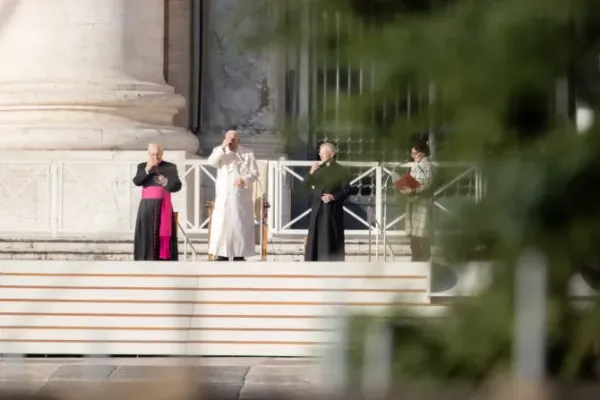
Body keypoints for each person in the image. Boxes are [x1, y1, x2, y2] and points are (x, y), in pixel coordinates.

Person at [207, 130, 259, 261]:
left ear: (238, 140)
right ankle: (221, 253)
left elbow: (254, 173)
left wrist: (244, 179)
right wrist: (222, 147)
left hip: (240, 197)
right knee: (222, 224)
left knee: (238, 224)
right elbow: (211, 162)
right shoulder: (219, 151)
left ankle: (239, 254)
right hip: (224, 196)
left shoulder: (247, 152)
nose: (231, 141)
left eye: (233, 138)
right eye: (228, 138)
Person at [132, 143, 182, 261]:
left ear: (162, 153)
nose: (155, 157)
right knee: (146, 235)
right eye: (152, 154)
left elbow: (177, 186)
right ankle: (145, 260)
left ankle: (164, 261)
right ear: (148, 154)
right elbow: (137, 181)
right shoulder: (142, 166)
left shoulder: (170, 167)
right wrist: (147, 170)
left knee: (163, 235)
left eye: (158, 154)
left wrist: (166, 182)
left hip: (163, 207)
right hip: (147, 207)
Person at [304, 143, 352, 261]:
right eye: (320, 153)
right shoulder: (317, 170)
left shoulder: (341, 170)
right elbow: (305, 186)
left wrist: (333, 197)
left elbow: (346, 189)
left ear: (331, 154)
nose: (320, 156)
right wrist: (310, 173)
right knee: (315, 238)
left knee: (330, 237)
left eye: (323, 153)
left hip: (331, 211)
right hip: (317, 210)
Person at [395, 141, 435, 261]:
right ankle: (415, 257)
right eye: (412, 154)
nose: (413, 156)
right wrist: (402, 186)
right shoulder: (415, 165)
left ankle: (423, 260)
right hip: (413, 203)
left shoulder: (429, 166)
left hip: (422, 203)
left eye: (415, 153)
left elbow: (427, 185)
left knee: (422, 233)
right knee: (414, 235)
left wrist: (413, 191)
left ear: (423, 152)